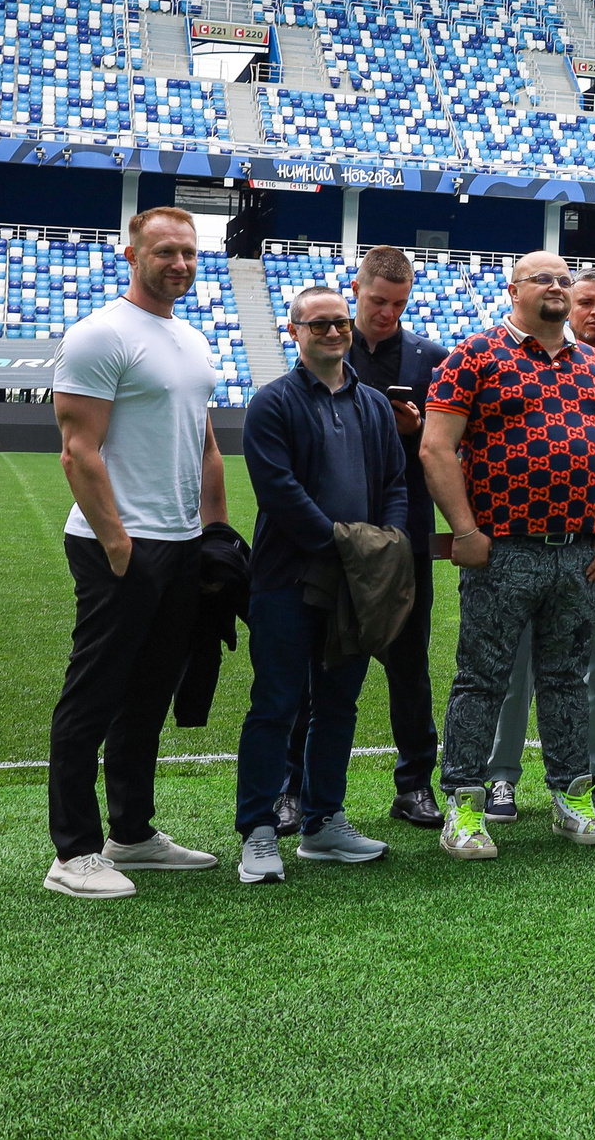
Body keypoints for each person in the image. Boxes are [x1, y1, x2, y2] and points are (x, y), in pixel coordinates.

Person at [422, 251, 595, 860]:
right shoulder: (475, 356)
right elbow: (437, 448)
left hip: (577, 553)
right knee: (482, 677)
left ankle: (571, 797)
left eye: (565, 280)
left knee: (569, 678)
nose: (558, 287)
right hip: (503, 551)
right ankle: (463, 803)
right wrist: (465, 532)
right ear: (513, 287)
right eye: (544, 278)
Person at [43, 206, 227, 899]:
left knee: (149, 694)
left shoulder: (192, 339)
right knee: (93, 695)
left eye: (189, 251)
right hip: (117, 542)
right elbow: (77, 449)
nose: (179, 262)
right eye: (166, 251)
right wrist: (119, 544)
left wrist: (215, 536)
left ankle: (132, 833)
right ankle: (73, 851)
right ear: (132, 253)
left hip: (180, 545)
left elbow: (206, 445)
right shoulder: (100, 334)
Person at [235, 284, 410, 882]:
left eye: (340, 323)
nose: (333, 332)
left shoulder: (375, 406)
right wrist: (343, 545)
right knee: (277, 704)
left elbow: (395, 483)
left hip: (353, 582)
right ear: (295, 333)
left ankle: (323, 822)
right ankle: (258, 829)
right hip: (287, 579)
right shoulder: (272, 403)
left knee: (338, 705)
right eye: (319, 325)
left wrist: (384, 542)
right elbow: (279, 492)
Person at [483, 269, 595, 818]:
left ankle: (594, 770)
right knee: (518, 662)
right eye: (587, 302)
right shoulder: (524, 363)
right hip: (540, 540)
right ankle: (500, 776)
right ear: (568, 306)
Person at [331, 244, 448, 832]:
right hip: (339, 527)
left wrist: (419, 426)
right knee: (325, 661)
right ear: (356, 289)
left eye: (399, 303)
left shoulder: (431, 358)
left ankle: (415, 784)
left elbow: (452, 445)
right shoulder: (328, 347)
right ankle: (302, 788)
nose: (387, 313)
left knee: (409, 662)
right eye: (378, 301)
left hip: (407, 532)